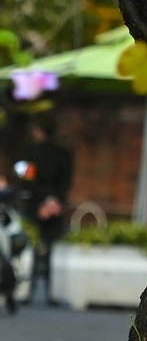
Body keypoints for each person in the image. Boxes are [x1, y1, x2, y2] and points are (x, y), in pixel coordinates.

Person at [16, 121, 74, 304]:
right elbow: (66, 181)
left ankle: (28, 292)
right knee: (51, 248)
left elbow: (26, 180)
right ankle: (50, 293)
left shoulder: (30, 153)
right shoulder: (63, 154)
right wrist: (53, 199)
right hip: (55, 205)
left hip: (34, 205)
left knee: (32, 247)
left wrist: (41, 200)